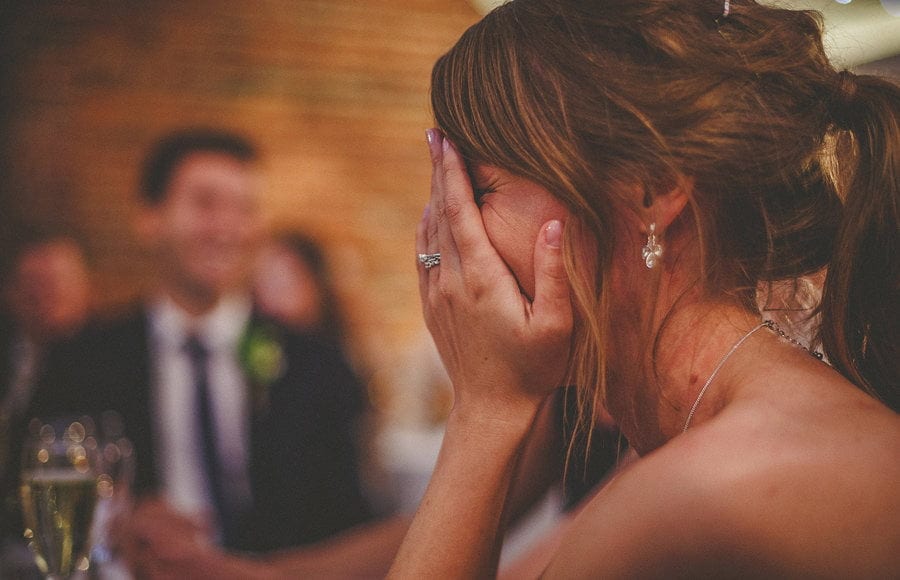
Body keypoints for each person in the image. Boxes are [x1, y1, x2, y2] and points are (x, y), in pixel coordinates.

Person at [389, 0, 899, 577]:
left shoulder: (695, 493)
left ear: (650, 189)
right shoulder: (667, 453)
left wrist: (485, 408)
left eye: (478, 191)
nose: (451, 239)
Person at [36, 129, 374, 571]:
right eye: (205, 204)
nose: (227, 229)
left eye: (246, 209)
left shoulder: (317, 365)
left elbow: (350, 520)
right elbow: (28, 504)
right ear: (149, 217)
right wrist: (114, 523)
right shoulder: (81, 361)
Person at [0, 233, 92, 572]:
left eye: (60, 283)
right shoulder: (8, 353)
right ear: (9, 292)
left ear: (87, 288)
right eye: (34, 283)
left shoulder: (104, 368)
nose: (46, 295)